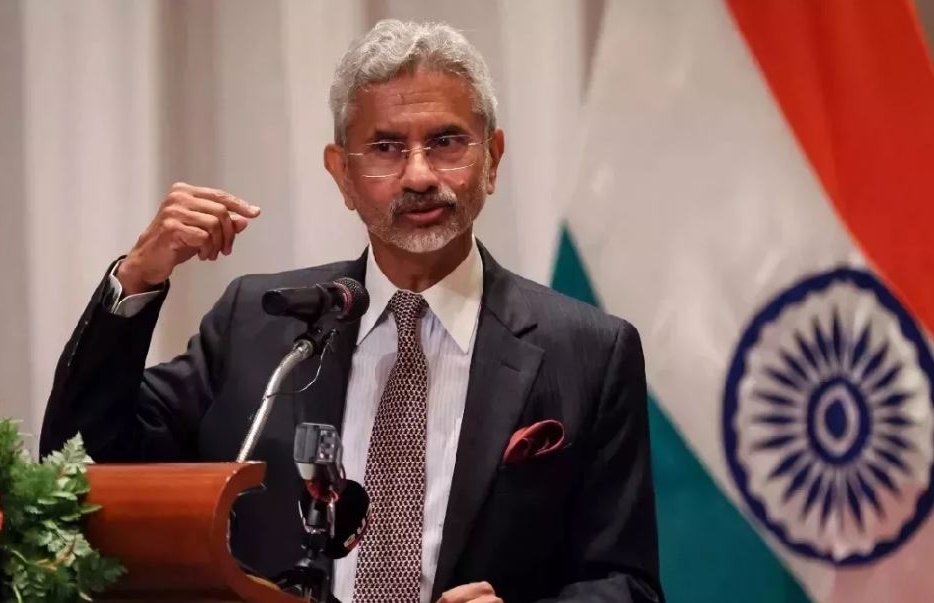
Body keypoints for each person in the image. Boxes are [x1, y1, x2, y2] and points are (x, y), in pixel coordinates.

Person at [40, 19, 662, 603]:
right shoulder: (259, 323)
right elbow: (84, 467)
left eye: (446, 142)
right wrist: (138, 277)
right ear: (341, 174)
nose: (419, 176)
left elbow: (626, 582)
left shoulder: (587, 351)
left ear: (492, 159)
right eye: (386, 148)